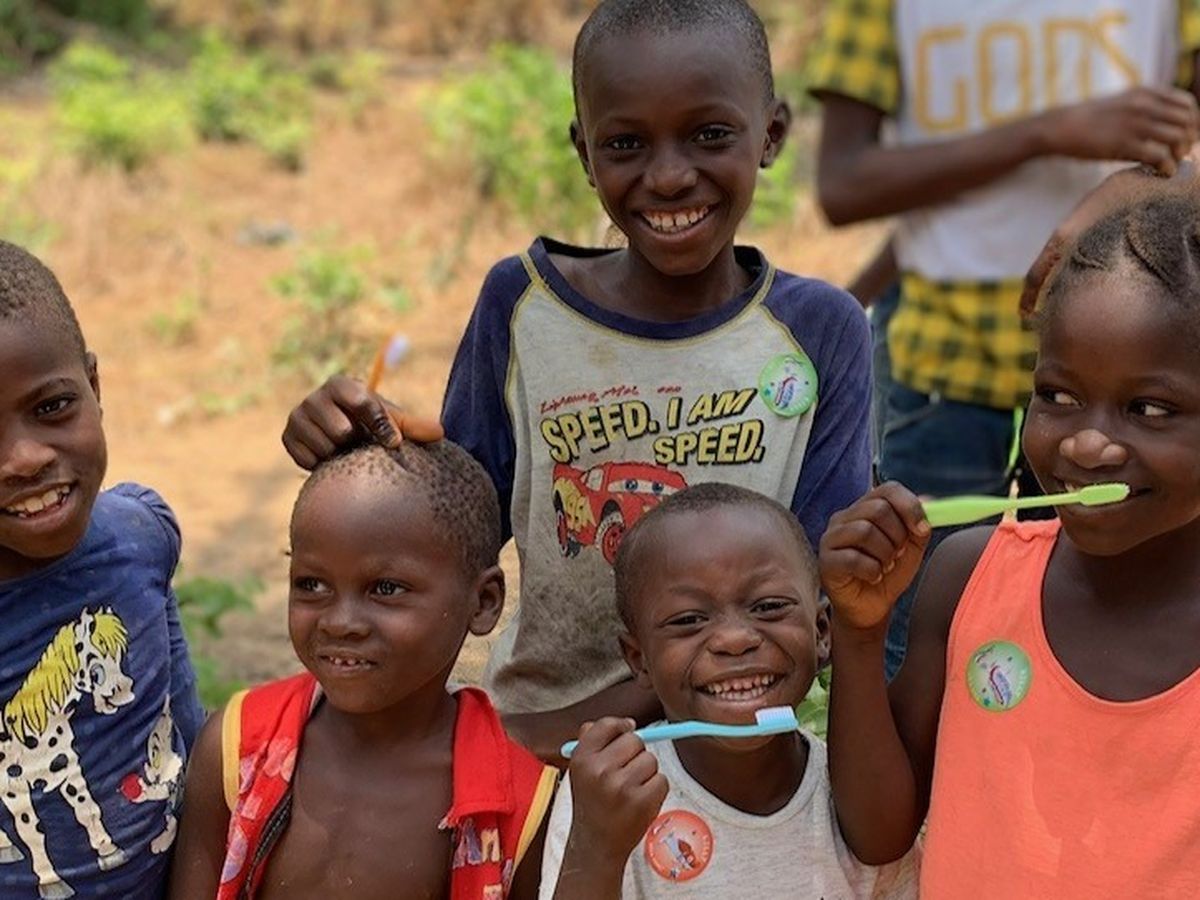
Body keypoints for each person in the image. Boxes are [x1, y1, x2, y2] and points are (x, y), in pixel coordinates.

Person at [281, 0, 872, 763]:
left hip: (738, 748)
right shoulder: (524, 306)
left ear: (773, 134)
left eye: (710, 134)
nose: (669, 176)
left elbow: (820, 592)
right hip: (536, 745)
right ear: (585, 154)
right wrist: (366, 454)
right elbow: (459, 529)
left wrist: (581, 727)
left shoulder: (820, 330)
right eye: (626, 143)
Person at [820, 193, 1200, 896]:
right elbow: (878, 833)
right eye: (1058, 397)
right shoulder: (969, 580)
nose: (1087, 444)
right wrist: (860, 632)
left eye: (1149, 409)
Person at [808, 0, 1200, 676]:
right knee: (923, 635)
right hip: (948, 369)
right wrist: (1044, 133)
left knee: (1114, 629)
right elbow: (843, 184)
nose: (1084, 444)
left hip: (1158, 384)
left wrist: (1152, 186)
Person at [169, 440, 559, 900]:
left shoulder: (516, 801)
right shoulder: (239, 749)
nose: (340, 622)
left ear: (484, 601)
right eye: (312, 584)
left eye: (385, 589)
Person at [540, 483, 918, 899]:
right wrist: (596, 850)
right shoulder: (607, 797)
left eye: (769, 607)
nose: (734, 639)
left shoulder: (859, 793)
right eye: (688, 620)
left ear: (822, 632)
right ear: (638, 659)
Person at [0, 239, 203, 899]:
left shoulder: (141, 534)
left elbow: (186, 728)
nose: (26, 458)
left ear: (94, 386)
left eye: (51, 407)